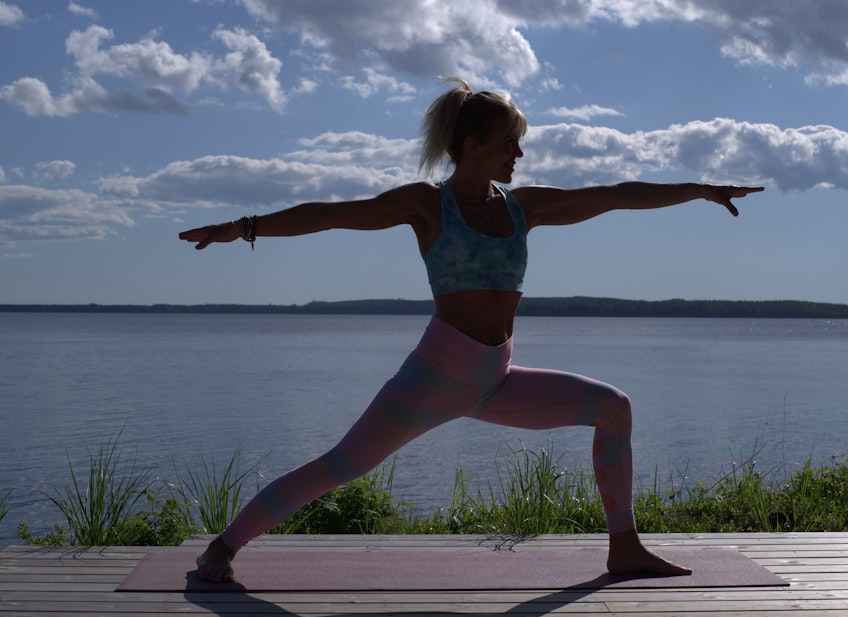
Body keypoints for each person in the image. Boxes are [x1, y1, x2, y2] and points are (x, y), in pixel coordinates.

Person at [180, 77, 764, 583]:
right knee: (341, 466)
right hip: (432, 378)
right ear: (472, 144)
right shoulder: (428, 205)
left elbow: (613, 196)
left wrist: (700, 190)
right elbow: (332, 214)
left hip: (496, 378)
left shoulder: (523, 206)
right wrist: (243, 227)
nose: (519, 153)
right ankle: (224, 546)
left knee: (614, 407)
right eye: (511, 142)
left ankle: (625, 549)